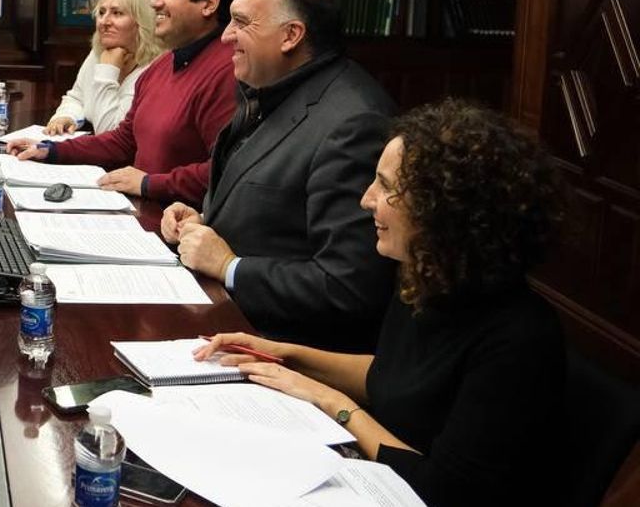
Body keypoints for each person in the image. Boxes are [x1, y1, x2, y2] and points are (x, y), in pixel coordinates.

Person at [195, 100, 564, 507]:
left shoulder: (520, 340)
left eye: (386, 186)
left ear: (442, 208)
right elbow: (393, 375)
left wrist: (334, 403)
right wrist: (284, 355)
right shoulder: (429, 279)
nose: (366, 200)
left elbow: (444, 490)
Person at [162, 0, 394, 351]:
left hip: (284, 352)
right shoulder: (269, 88)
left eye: (240, 22)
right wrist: (202, 219)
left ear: (291, 35)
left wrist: (229, 267)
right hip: (225, 323)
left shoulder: (355, 124)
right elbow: (279, 217)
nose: (225, 37)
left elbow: (348, 287)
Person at [7, 0, 242, 204]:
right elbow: (124, 140)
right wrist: (50, 150)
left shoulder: (229, 69)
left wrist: (148, 183)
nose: (154, 2)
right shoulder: (164, 64)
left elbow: (226, 170)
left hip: (178, 226)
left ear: (209, 4)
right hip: (139, 209)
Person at [43, 0, 165, 135]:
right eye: (101, 12)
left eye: (117, 13)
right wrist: (66, 116)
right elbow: (77, 98)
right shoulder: (98, 53)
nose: (104, 22)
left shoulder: (155, 68)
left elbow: (110, 133)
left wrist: (108, 70)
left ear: (141, 22)